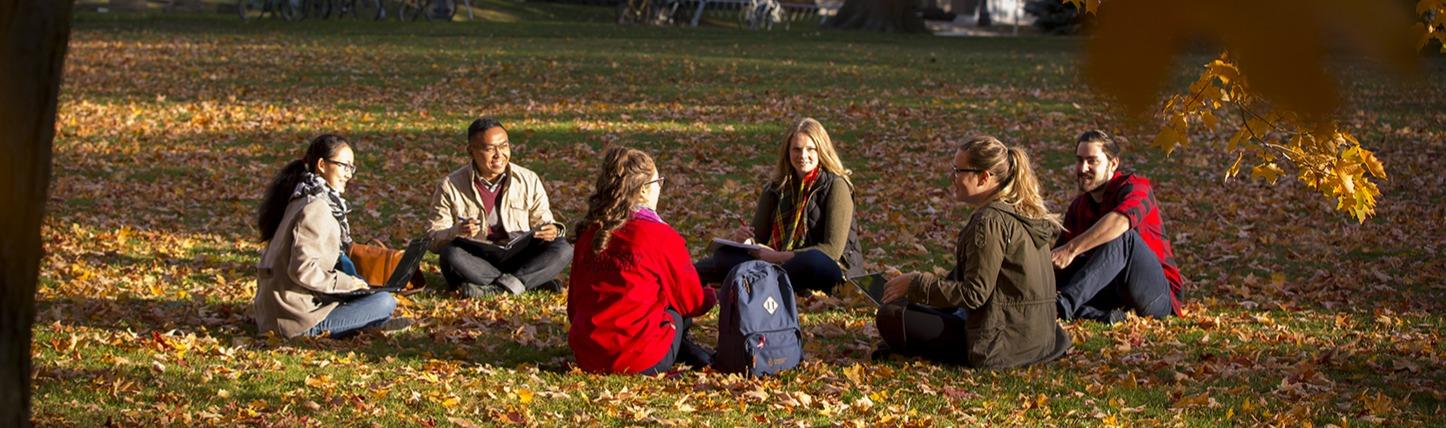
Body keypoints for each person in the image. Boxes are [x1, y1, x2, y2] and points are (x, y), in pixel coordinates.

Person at [876, 136, 1070, 369]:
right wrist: (917, 292)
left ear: (984, 177)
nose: (952, 177)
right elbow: (972, 278)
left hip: (1001, 346)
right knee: (913, 308)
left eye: (958, 171)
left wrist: (917, 285)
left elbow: (974, 294)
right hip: (1036, 339)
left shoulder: (989, 221)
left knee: (891, 315)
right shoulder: (1022, 213)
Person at [566, 147, 716, 375]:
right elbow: (692, 303)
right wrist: (712, 295)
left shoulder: (589, 232)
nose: (660, 189)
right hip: (640, 359)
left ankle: (685, 349)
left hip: (587, 355)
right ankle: (684, 350)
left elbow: (574, 305)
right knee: (674, 308)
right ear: (645, 190)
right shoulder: (659, 236)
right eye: (659, 182)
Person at [253, 134, 411, 338]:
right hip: (293, 320)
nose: (349, 174)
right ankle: (370, 323)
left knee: (357, 279)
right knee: (385, 302)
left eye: (351, 168)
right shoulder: (316, 207)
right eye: (344, 166)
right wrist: (348, 284)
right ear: (322, 165)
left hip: (275, 312)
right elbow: (302, 269)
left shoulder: (300, 197)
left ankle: (369, 323)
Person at [694, 118, 864, 295]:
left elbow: (832, 250)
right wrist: (742, 239)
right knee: (724, 256)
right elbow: (758, 238)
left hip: (828, 267)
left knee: (811, 261)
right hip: (777, 263)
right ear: (787, 152)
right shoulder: (776, 187)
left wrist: (778, 257)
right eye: (796, 149)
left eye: (810, 149)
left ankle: (758, 284)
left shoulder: (836, 185)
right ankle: (768, 285)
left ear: (821, 150)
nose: (803, 156)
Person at [425, 118, 573, 297]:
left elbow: (544, 221)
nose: (499, 154)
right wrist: (455, 231)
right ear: (471, 151)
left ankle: (496, 290)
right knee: (451, 254)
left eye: (504, 146)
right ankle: (527, 283)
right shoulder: (450, 185)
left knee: (563, 248)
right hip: (478, 259)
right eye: (489, 149)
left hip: (519, 255)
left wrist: (551, 230)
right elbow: (432, 239)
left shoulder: (528, 179)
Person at [1052, 130, 1181, 323]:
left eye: (1092, 161)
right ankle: (1099, 316)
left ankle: (1063, 306)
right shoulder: (1078, 207)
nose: (1083, 168)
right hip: (1112, 295)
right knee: (1058, 270)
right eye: (1079, 160)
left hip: (1156, 297)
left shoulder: (1137, 188)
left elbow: (1120, 223)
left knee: (1123, 238)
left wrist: (1071, 249)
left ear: (1113, 164)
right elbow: (1060, 260)